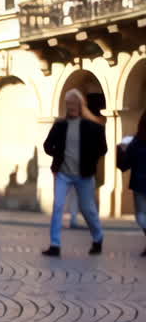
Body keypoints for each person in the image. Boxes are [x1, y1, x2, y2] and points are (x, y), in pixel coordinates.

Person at [41, 90, 106, 257]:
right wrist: (58, 157)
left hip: (84, 175)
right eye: (68, 104)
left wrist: (91, 161)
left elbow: (102, 148)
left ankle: (98, 238)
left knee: (88, 209)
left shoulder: (92, 126)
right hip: (63, 173)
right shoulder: (60, 125)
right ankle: (55, 245)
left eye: (73, 103)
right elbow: (47, 146)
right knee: (58, 207)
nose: (70, 107)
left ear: (79, 104)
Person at [116, 112, 146, 256]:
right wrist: (121, 151)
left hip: (139, 185)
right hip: (139, 185)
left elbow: (123, 166)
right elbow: (124, 165)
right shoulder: (136, 141)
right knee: (141, 217)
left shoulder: (136, 141)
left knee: (141, 217)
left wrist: (121, 152)